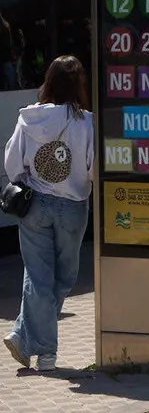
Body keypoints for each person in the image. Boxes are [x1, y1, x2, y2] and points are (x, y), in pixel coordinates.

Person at [3, 56, 94, 372]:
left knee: (39, 277)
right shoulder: (87, 122)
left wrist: (29, 179)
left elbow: (12, 164)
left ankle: (24, 337)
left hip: (35, 207)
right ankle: (44, 352)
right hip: (72, 207)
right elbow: (93, 168)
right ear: (79, 84)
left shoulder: (29, 118)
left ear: (49, 82)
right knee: (64, 277)